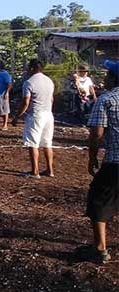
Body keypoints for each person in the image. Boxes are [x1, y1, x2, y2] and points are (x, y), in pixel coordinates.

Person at [83, 60, 119, 264]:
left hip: (115, 162)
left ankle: (100, 249)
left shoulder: (106, 99)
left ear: (114, 79)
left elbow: (96, 134)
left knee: (99, 202)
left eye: (108, 75)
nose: (104, 78)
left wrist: (92, 158)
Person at [11, 59, 55, 179]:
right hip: (48, 114)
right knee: (47, 143)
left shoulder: (29, 82)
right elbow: (51, 99)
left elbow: (26, 102)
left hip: (36, 115)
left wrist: (17, 116)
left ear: (31, 68)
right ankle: (50, 170)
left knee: (33, 143)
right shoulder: (49, 81)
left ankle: (35, 172)